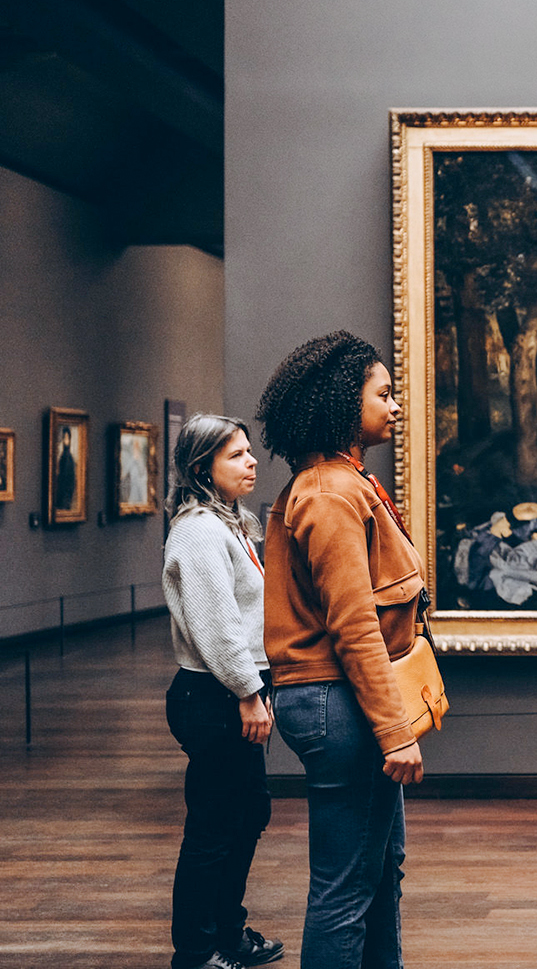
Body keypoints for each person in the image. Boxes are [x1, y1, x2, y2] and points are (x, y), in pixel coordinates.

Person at [256, 330, 424, 969]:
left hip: (342, 704)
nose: (394, 406)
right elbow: (353, 626)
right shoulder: (329, 493)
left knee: (380, 870)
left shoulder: (342, 482)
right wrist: (394, 732)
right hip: (339, 705)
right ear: (340, 402)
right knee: (346, 886)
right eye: (382, 394)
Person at [161, 414, 284, 969]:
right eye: (235, 454)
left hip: (232, 691)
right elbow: (217, 625)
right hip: (215, 695)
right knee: (214, 826)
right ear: (200, 466)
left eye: (249, 450)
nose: (251, 461)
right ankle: (196, 951)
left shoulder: (230, 522)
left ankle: (227, 933)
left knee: (246, 813)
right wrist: (248, 691)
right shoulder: (199, 530)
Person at [54, 425, 77, 510]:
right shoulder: (62, 455)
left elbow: (69, 481)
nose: (65, 440)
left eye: (67, 438)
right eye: (64, 437)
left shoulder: (68, 457)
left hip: (64, 494)